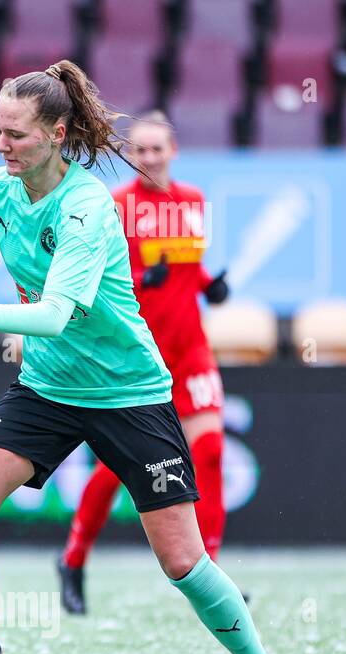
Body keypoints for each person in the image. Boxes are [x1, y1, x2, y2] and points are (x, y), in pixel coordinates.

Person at [0, 61, 298, 654]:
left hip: (128, 392)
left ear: (56, 133)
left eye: (16, 134)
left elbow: (55, 316)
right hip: (48, 388)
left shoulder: (86, 209)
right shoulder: (1, 188)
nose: (2, 145)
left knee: (182, 561)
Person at [58, 110, 230, 614]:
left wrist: (208, 287)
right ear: (130, 154)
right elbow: (95, 281)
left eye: (158, 148)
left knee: (213, 452)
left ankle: (210, 571)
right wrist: (139, 279)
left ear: (173, 150)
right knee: (119, 469)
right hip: (139, 355)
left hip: (191, 348)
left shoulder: (194, 202)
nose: (150, 157)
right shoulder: (115, 207)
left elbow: (188, 270)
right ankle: (73, 559)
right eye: (141, 149)